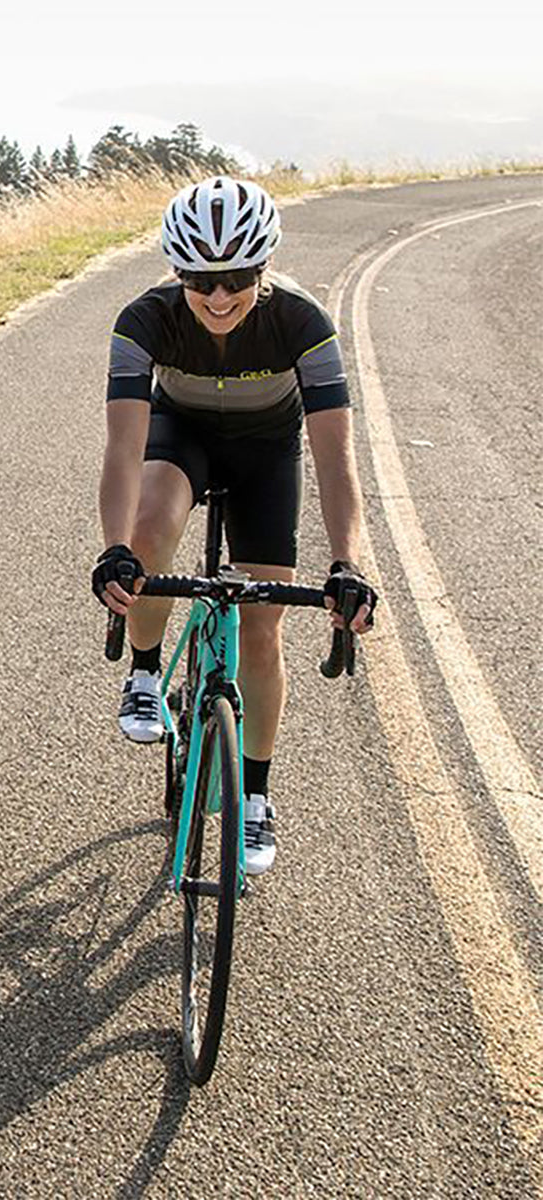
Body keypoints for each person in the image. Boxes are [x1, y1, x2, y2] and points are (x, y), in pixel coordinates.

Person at [91, 175, 376, 876]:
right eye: (201, 280)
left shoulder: (306, 326)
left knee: (264, 619)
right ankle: (147, 671)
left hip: (266, 453)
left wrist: (348, 563)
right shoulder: (143, 320)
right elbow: (124, 450)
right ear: (178, 272)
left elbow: (336, 462)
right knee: (153, 525)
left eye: (238, 278)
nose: (219, 298)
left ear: (264, 267)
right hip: (180, 434)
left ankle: (254, 796)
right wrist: (116, 550)